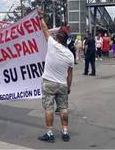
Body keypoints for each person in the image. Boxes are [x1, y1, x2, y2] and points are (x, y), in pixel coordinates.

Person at [37, 12, 74, 143]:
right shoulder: (70, 55)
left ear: (57, 38)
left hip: (49, 83)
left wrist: (41, 17)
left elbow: (45, 29)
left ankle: (50, 133)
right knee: (63, 109)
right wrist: (68, 87)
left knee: (49, 109)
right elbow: (70, 75)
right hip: (62, 84)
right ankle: (65, 132)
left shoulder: (52, 44)